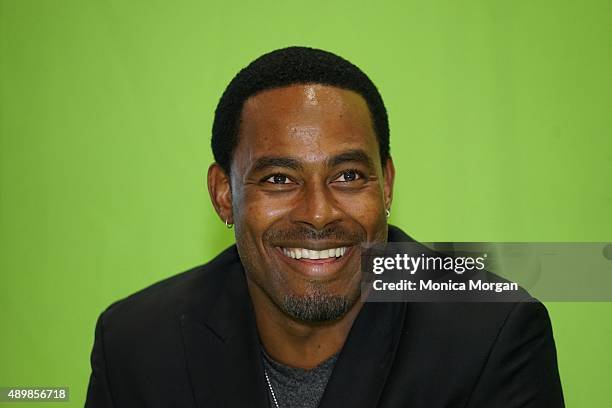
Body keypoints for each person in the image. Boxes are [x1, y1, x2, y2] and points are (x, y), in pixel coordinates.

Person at [85, 46, 564, 407]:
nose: (318, 213)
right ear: (224, 195)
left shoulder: (493, 334)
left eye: (348, 176)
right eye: (278, 179)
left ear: (387, 186)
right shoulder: (136, 346)